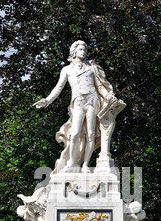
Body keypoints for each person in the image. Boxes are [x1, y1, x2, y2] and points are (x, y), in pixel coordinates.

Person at [33, 40, 124, 173]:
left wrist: (108, 96)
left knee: (91, 134)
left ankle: (86, 165)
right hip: (78, 103)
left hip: (92, 101)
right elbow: (58, 88)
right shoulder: (67, 70)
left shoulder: (92, 67)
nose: (84, 52)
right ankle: (71, 163)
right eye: (81, 49)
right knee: (75, 134)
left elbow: (99, 86)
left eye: (85, 50)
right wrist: (47, 101)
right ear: (74, 52)